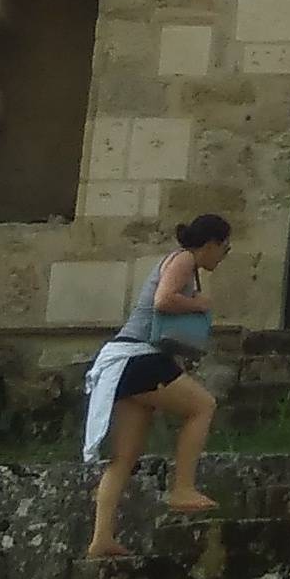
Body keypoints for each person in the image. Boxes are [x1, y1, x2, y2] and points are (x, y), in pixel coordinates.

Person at [81, 212, 231, 560]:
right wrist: (198, 304)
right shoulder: (183, 260)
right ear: (211, 244)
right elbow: (163, 300)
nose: (222, 257)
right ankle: (182, 487)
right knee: (202, 406)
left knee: (124, 458)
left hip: (127, 361)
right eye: (224, 249)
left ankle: (101, 538)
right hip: (139, 359)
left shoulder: (182, 262)